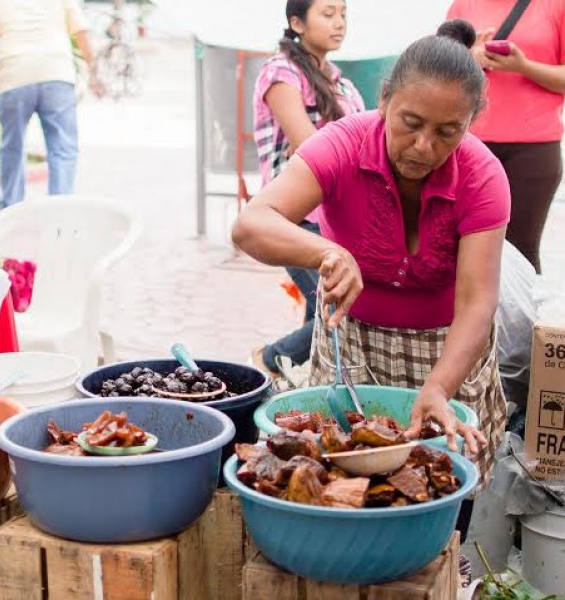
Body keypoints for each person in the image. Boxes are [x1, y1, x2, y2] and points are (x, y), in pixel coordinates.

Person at [233, 20, 507, 488]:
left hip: (449, 351)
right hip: (353, 347)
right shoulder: (342, 145)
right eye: (411, 123)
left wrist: (440, 385)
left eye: (448, 132)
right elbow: (250, 225)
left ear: (469, 124)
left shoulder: (483, 176)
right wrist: (327, 251)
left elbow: (477, 302)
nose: (424, 146)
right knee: (345, 480)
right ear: (383, 101)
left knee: (441, 479)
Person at [250, 0, 365, 378]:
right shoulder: (280, 73)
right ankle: (269, 359)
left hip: (336, 212)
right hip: (295, 214)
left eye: (344, 14)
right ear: (296, 22)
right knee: (337, 307)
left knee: (323, 307)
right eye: (328, 14)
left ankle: (300, 380)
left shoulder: (339, 80)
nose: (340, 23)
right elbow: (309, 145)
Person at [447, 0, 565, 274]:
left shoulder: (555, 6)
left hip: (533, 147)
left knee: (520, 252)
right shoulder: (463, 5)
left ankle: (520, 317)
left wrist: (523, 66)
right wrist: (470, 57)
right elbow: (438, 68)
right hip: (467, 144)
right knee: (460, 246)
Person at [0, 0, 102, 208]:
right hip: (56, 74)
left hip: (14, 77)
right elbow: (81, 31)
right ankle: (60, 208)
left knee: (12, 146)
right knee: (63, 148)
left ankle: (10, 205)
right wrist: (94, 72)